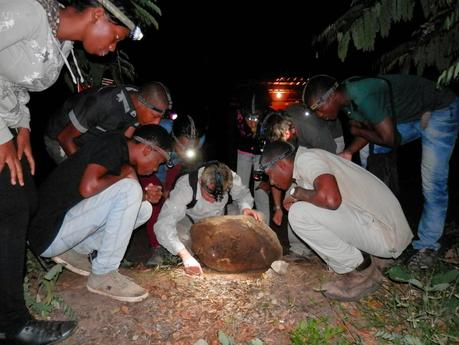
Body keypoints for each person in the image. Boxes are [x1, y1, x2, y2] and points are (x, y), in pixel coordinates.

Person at [0, 0, 142, 343]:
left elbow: (12, 82)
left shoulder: (61, 44)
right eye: (115, 37)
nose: (112, 49)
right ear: (96, 15)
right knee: (14, 206)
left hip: (8, 123)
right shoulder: (30, 13)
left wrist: (21, 127)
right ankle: (11, 322)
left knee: (25, 201)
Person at [302, 74, 459, 270]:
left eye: (317, 108)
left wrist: (358, 132)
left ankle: (428, 246)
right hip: (407, 115)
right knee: (368, 153)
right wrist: (349, 152)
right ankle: (379, 228)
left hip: (439, 110)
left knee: (432, 182)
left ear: (331, 96)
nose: (319, 115)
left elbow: (390, 138)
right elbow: (376, 129)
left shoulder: (364, 96)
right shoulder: (348, 102)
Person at [28, 125, 172, 303]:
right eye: (158, 162)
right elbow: (88, 188)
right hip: (47, 233)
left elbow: (123, 201)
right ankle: (104, 273)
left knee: (144, 209)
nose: (156, 169)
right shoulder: (113, 143)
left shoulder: (123, 159)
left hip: (64, 232)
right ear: (147, 149)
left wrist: (144, 195)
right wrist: (125, 176)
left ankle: (79, 249)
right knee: (130, 189)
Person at [260, 141, 413, 301]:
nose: (271, 182)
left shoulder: (307, 159)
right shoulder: (310, 160)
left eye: (271, 175)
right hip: (385, 229)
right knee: (304, 206)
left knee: (299, 214)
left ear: (283, 165)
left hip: (386, 234)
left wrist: (296, 192)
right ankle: (370, 258)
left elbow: (331, 199)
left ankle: (360, 270)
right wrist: (299, 195)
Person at [154, 161, 262, 275]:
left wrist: (246, 208)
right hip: (191, 222)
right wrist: (185, 255)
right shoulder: (186, 186)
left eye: (219, 197)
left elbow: (243, 195)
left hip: (220, 220)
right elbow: (164, 223)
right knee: (178, 241)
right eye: (210, 195)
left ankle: (247, 255)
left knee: (256, 217)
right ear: (201, 182)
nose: (213, 201)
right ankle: (186, 255)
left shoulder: (230, 178)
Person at [45, 81, 172, 163]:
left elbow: (122, 140)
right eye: (154, 116)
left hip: (88, 144)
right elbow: (65, 138)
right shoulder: (105, 103)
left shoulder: (137, 102)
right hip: (60, 138)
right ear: (142, 103)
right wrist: (84, 169)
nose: (156, 123)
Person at [142, 115, 206, 267]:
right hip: (152, 165)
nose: (188, 150)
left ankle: (176, 241)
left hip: (176, 166)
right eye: (184, 147)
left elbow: (190, 167)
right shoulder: (160, 132)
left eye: (193, 147)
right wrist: (161, 187)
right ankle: (157, 247)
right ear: (173, 137)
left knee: (176, 198)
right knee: (155, 198)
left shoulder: (200, 139)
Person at [234, 85, 272, 222]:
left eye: (256, 117)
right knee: (239, 187)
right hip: (243, 151)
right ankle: (240, 222)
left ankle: (265, 226)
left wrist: (266, 179)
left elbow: (273, 151)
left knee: (260, 190)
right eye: (248, 117)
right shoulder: (237, 115)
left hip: (262, 155)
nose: (251, 121)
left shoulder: (269, 118)